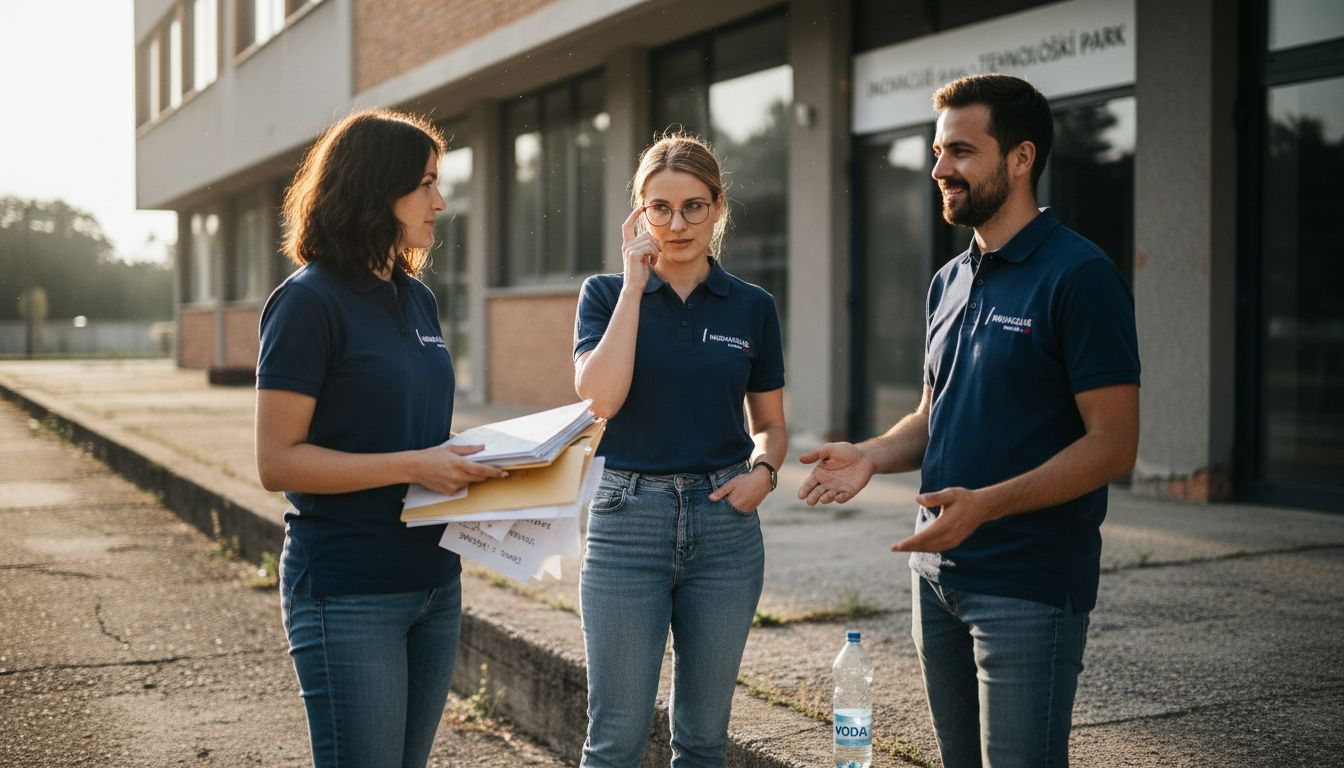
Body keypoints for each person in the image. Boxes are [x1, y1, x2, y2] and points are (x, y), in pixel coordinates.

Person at [798, 74, 1140, 767]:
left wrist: (986, 506)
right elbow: (932, 414)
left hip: (1026, 585)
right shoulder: (950, 280)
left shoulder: (1079, 276)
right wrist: (869, 454)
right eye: (936, 151)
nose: (939, 169)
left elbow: (1113, 445)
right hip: (934, 578)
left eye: (960, 151)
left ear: (1021, 159)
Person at [254, 109, 507, 768]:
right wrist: (416, 463)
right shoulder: (307, 302)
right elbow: (277, 461)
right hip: (349, 589)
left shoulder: (415, 298)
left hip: (434, 583)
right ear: (375, 189)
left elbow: (412, 432)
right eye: (425, 183)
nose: (440, 202)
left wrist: (496, 458)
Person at [572, 132, 788, 767]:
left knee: (702, 740)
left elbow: (771, 424)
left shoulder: (752, 306)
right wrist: (635, 287)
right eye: (659, 208)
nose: (677, 223)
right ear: (638, 214)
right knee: (614, 740)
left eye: (694, 206)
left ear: (718, 208)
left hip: (725, 528)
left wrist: (765, 472)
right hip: (626, 523)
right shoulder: (605, 295)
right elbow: (601, 400)